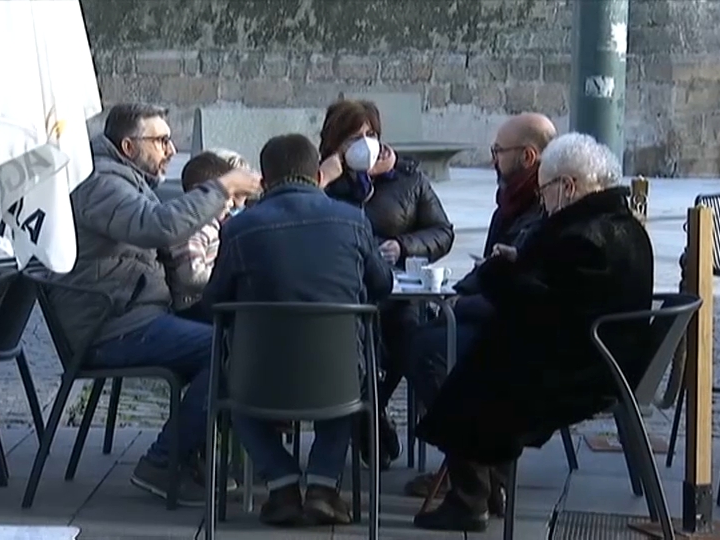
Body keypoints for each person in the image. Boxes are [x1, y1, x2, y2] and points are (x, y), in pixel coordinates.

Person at [413, 133, 654, 531]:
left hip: (583, 371)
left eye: (545, 190)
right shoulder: (620, 226)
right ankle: (484, 489)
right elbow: (563, 295)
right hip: (604, 355)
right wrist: (521, 264)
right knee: (483, 361)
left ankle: (470, 498)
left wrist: (500, 272)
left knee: (472, 372)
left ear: (568, 186)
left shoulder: (582, 233)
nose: (543, 201)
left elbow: (543, 309)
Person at [46, 103, 260, 506]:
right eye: (161, 140)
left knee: (243, 330)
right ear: (128, 146)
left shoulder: (124, 179)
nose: (171, 149)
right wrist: (222, 187)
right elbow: (156, 225)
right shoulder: (101, 185)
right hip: (112, 327)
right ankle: (163, 463)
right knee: (228, 351)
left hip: (136, 311)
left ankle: (207, 455)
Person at [204, 133, 394, 527]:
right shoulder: (353, 219)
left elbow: (215, 300)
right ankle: (324, 486)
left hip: (257, 376)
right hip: (338, 375)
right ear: (316, 174)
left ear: (264, 180)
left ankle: (283, 484)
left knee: (232, 391)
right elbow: (382, 286)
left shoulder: (240, 229)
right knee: (346, 386)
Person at [403, 113, 557, 499]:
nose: (493, 159)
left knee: (425, 350)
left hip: (517, 329)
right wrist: (458, 294)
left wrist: (463, 302)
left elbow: (519, 285)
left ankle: (473, 468)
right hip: (500, 316)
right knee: (416, 337)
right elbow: (491, 267)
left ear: (527, 156)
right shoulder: (510, 203)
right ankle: (472, 464)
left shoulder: (543, 208)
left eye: (498, 151)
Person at [321, 98, 455, 469]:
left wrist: (406, 244)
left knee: (407, 339)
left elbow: (442, 231)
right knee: (348, 345)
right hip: (341, 293)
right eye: (353, 137)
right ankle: (368, 421)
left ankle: (371, 414)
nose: (365, 143)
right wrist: (328, 177)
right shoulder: (323, 179)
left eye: (371, 135)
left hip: (396, 294)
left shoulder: (408, 177)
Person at [162, 152, 246, 323]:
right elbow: (191, 276)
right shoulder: (195, 227)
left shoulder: (210, 225)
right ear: (200, 193)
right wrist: (228, 275)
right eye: (226, 195)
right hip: (193, 308)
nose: (231, 204)